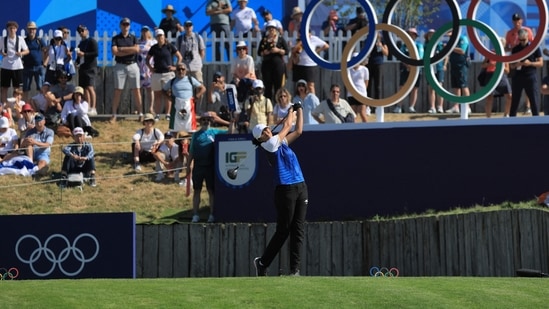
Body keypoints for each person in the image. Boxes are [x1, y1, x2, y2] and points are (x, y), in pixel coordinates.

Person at [251, 101, 308, 277]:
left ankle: (294, 270)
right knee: (283, 230)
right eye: (263, 132)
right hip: (285, 190)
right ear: (259, 139)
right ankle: (262, 263)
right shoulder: (268, 145)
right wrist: (291, 110)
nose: (267, 131)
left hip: (300, 186)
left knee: (298, 229)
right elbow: (287, 125)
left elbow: (298, 130)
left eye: (267, 129)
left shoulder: (280, 142)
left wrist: (299, 110)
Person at [187, 112, 233, 223]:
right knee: (197, 191)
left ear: (211, 121)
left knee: (211, 191)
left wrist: (229, 121)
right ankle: (195, 215)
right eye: (204, 119)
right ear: (200, 121)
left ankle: (212, 214)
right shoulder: (195, 135)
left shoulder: (214, 132)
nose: (206, 121)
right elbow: (191, 152)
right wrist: (188, 166)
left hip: (210, 167)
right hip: (198, 167)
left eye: (208, 120)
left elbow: (230, 132)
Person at [110, 17, 143, 123]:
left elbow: (136, 50)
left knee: (136, 89)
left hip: (132, 64)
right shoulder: (116, 38)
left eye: (127, 24)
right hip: (120, 65)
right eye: (124, 24)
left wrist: (122, 49)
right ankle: (114, 114)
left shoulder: (133, 38)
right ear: (120, 26)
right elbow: (115, 51)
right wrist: (130, 50)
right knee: (118, 90)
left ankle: (140, 113)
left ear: (129, 26)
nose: (125, 26)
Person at [146, 29, 181, 121]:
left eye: (161, 35)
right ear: (156, 37)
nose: (160, 37)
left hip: (168, 74)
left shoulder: (170, 46)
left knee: (168, 95)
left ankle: (168, 114)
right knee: (157, 95)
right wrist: (150, 68)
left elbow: (179, 56)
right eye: (158, 36)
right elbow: (147, 59)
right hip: (157, 73)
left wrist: (175, 67)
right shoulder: (154, 48)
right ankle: (157, 114)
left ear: (164, 36)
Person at [509, 28, 543, 117]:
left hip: (530, 76)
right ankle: (511, 121)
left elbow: (540, 63)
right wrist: (516, 64)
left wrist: (530, 63)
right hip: (518, 76)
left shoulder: (534, 47)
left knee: (534, 100)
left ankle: (536, 120)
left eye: (524, 40)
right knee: (515, 101)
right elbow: (511, 65)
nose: (522, 42)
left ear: (528, 37)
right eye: (520, 40)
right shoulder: (516, 49)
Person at [163, 63, 206, 132]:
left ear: (186, 70)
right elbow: (163, 90)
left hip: (188, 105)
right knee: (174, 129)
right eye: (179, 69)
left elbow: (203, 88)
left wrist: (197, 95)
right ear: (176, 71)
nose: (181, 71)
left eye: (183, 69)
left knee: (191, 129)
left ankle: (191, 141)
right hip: (176, 105)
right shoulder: (172, 81)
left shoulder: (190, 79)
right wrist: (169, 97)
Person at [506, 13, 535, 114]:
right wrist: (512, 49)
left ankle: (528, 106)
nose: (517, 22)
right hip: (515, 57)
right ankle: (513, 112)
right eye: (515, 20)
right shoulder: (510, 33)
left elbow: (532, 44)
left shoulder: (528, 31)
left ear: (521, 21)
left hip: (526, 57)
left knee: (529, 86)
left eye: (518, 20)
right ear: (513, 21)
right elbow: (507, 46)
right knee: (516, 85)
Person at [176, 20, 205, 111]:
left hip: (195, 66)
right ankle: (186, 109)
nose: (188, 27)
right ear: (184, 27)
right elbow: (177, 52)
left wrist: (198, 61)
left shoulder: (198, 37)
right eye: (186, 26)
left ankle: (198, 109)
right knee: (185, 88)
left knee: (199, 87)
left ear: (192, 27)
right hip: (184, 68)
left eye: (190, 25)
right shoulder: (180, 39)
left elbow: (202, 51)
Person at [393, 28, 423, 114]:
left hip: (416, 70)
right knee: (402, 87)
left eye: (412, 34)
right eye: (409, 33)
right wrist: (408, 65)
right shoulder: (404, 45)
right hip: (405, 69)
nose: (410, 35)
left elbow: (420, 58)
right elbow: (401, 56)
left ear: (415, 36)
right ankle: (399, 106)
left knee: (415, 88)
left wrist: (412, 67)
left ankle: (411, 107)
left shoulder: (419, 45)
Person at [289, 30, 328, 95]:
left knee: (310, 85)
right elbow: (293, 50)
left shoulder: (314, 39)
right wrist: (301, 42)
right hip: (299, 64)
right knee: (299, 85)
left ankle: (313, 101)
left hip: (310, 64)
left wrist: (316, 51)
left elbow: (326, 45)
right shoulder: (296, 40)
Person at [481, 38, 512, 118]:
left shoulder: (504, 55)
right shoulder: (490, 53)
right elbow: (483, 65)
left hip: (501, 76)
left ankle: (506, 114)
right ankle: (488, 117)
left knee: (509, 95)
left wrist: (499, 66)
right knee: (489, 97)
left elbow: (507, 70)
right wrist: (490, 65)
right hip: (490, 75)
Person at [258, 21, 289, 101]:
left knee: (278, 86)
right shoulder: (264, 40)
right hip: (267, 65)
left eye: (273, 28)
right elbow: (259, 52)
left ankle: (278, 105)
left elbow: (287, 51)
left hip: (278, 65)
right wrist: (265, 52)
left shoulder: (280, 39)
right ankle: (268, 105)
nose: (271, 30)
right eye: (269, 28)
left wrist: (278, 50)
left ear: (276, 30)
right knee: (267, 86)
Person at [0, 21, 29, 102]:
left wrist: (21, 53)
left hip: (17, 66)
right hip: (5, 66)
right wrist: (2, 53)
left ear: (16, 29)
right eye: (10, 28)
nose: (12, 30)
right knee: (4, 88)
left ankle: (17, 104)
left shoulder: (20, 39)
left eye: (14, 28)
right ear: (7, 29)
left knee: (17, 88)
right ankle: (4, 106)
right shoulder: (3, 39)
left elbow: (27, 51)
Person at [75, 25, 98, 116]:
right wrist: (76, 62)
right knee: (84, 88)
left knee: (90, 87)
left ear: (86, 30)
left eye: (82, 30)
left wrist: (84, 54)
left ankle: (93, 107)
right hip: (83, 67)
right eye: (79, 31)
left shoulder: (92, 41)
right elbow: (79, 56)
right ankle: (87, 107)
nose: (81, 33)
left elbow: (95, 53)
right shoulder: (81, 43)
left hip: (90, 67)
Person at [446, 32, 471, 114]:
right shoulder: (451, 40)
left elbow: (462, 51)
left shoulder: (462, 38)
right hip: (453, 65)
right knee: (456, 87)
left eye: (451, 34)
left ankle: (467, 106)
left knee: (464, 86)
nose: (449, 36)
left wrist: (450, 47)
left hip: (461, 65)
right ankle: (456, 106)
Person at [22, 21, 47, 103]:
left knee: (41, 87)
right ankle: (25, 106)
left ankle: (41, 105)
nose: (31, 31)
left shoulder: (39, 40)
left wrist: (45, 63)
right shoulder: (24, 41)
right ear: (27, 30)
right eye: (30, 29)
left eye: (33, 29)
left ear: (36, 30)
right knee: (25, 88)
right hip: (27, 67)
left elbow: (46, 52)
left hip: (38, 67)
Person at [424, 29, 447, 114]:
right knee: (431, 88)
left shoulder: (439, 44)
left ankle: (440, 107)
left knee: (440, 87)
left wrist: (445, 64)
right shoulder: (426, 45)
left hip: (439, 67)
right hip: (430, 68)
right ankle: (432, 107)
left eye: (433, 34)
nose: (431, 36)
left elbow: (445, 54)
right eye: (430, 35)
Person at [366, 32, 388, 114]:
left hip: (378, 64)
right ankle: (368, 107)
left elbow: (386, 53)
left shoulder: (382, 40)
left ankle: (378, 107)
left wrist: (381, 46)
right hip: (369, 64)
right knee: (368, 86)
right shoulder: (367, 40)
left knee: (378, 86)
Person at [137, 26, 156, 114]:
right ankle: (139, 108)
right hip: (139, 68)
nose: (144, 33)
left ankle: (151, 108)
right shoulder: (138, 42)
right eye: (143, 31)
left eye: (146, 31)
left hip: (149, 69)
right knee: (138, 89)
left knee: (150, 89)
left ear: (149, 32)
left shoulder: (153, 42)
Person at [347, 53, 369, 122]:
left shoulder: (364, 69)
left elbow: (366, 82)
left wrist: (362, 91)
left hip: (361, 93)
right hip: (351, 94)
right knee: (353, 115)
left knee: (362, 113)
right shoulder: (348, 69)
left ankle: (368, 129)